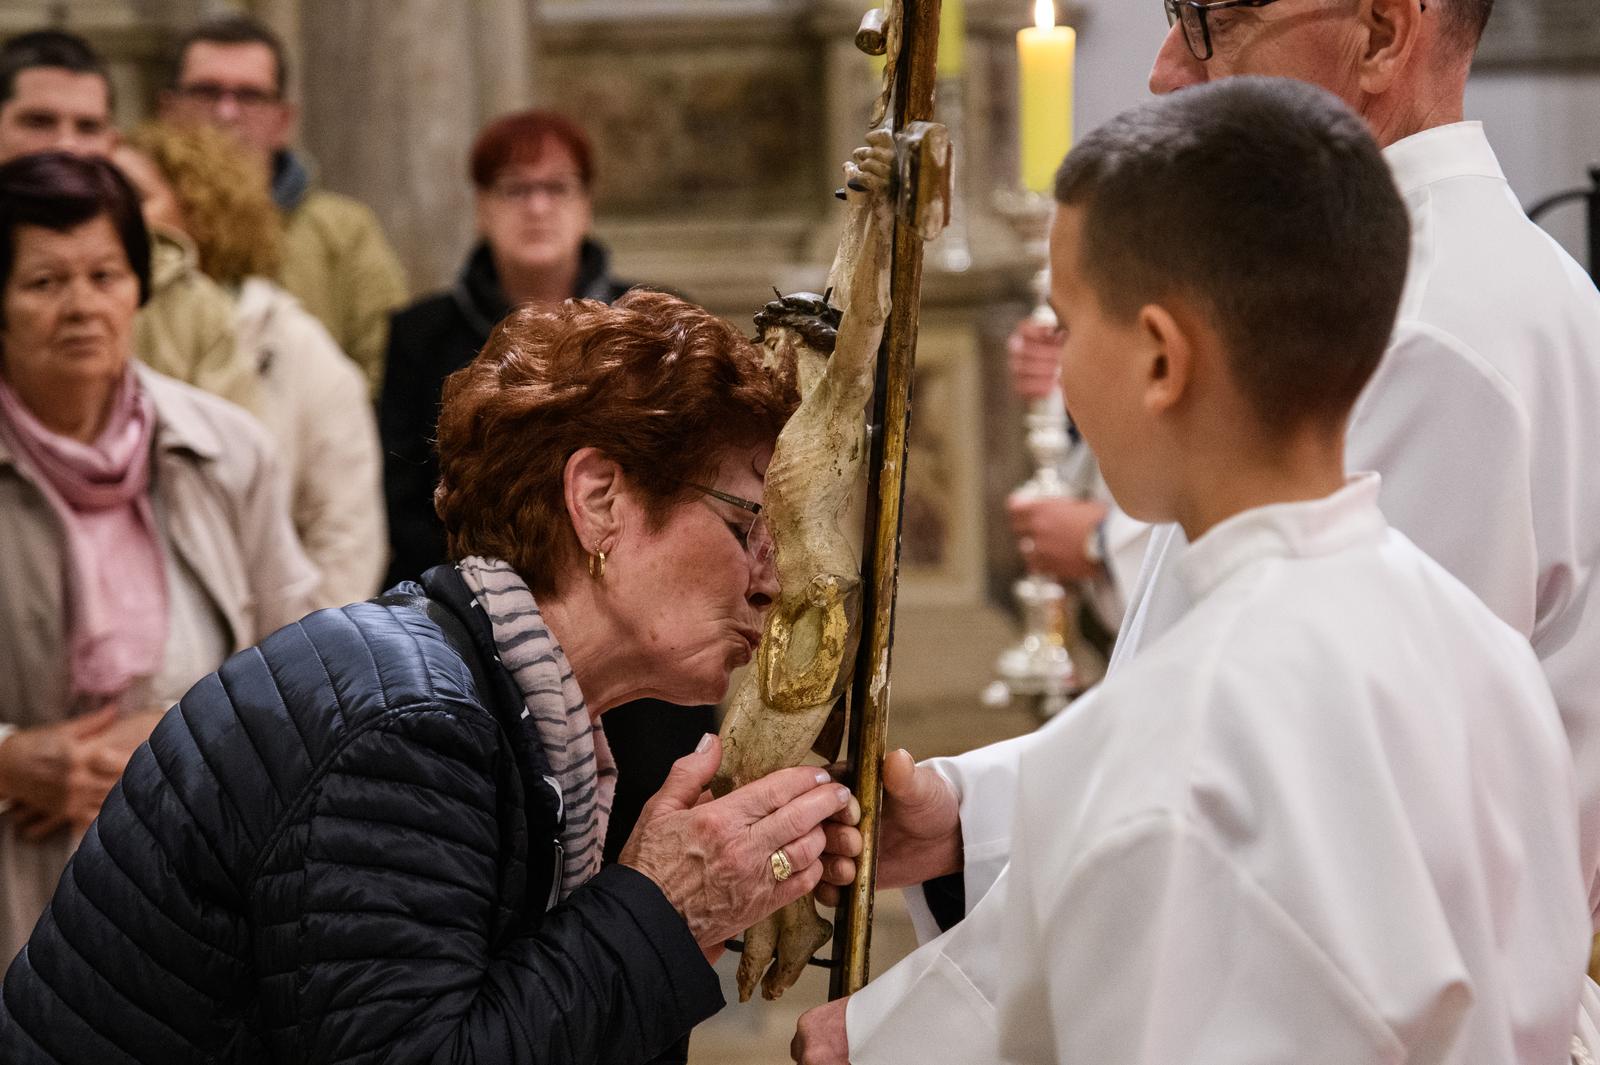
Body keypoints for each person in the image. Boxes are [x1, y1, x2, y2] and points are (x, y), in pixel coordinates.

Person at [808, 0, 1600, 1056]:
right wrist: (971, 816)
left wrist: (902, 1036)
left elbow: (1283, 824)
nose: (1166, 70)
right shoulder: (1422, 289)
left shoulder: (1433, 326)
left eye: (1208, 17)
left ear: (1378, 31)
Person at [0, 289, 865, 1065]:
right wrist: (660, 912)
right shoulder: (409, 727)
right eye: (750, 520)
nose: (774, 577)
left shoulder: (502, 712)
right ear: (600, 498)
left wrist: (679, 918)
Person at [0, 152, 317, 963]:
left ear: (140, 286)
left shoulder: (224, 449)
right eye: (43, 283)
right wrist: (7, 756)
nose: (81, 307)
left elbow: (304, 666)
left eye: (105, 275)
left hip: (193, 879)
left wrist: (189, 731)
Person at [380, 108, 702, 865]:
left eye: (555, 187)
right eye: (514, 188)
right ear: (481, 205)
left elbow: (688, 500)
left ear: (586, 203)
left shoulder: (659, 329)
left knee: (649, 877)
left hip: (640, 650)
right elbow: (409, 515)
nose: (536, 207)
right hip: (485, 655)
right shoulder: (419, 337)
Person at [120, 121, 387, 608]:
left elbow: (345, 538)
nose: (112, 215)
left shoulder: (293, 343)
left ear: (202, 211)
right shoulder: (112, 327)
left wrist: (293, 664)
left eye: (134, 196)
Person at [0, 29, 259, 414]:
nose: (66, 145)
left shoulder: (189, 306)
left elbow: (230, 460)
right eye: (39, 121)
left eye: (88, 127)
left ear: (113, 144)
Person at [161, 14, 407, 396]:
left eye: (249, 95)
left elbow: (388, 371)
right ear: (169, 109)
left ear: (282, 120)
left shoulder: (344, 230)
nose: (227, 113)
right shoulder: (140, 218)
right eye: (206, 92)